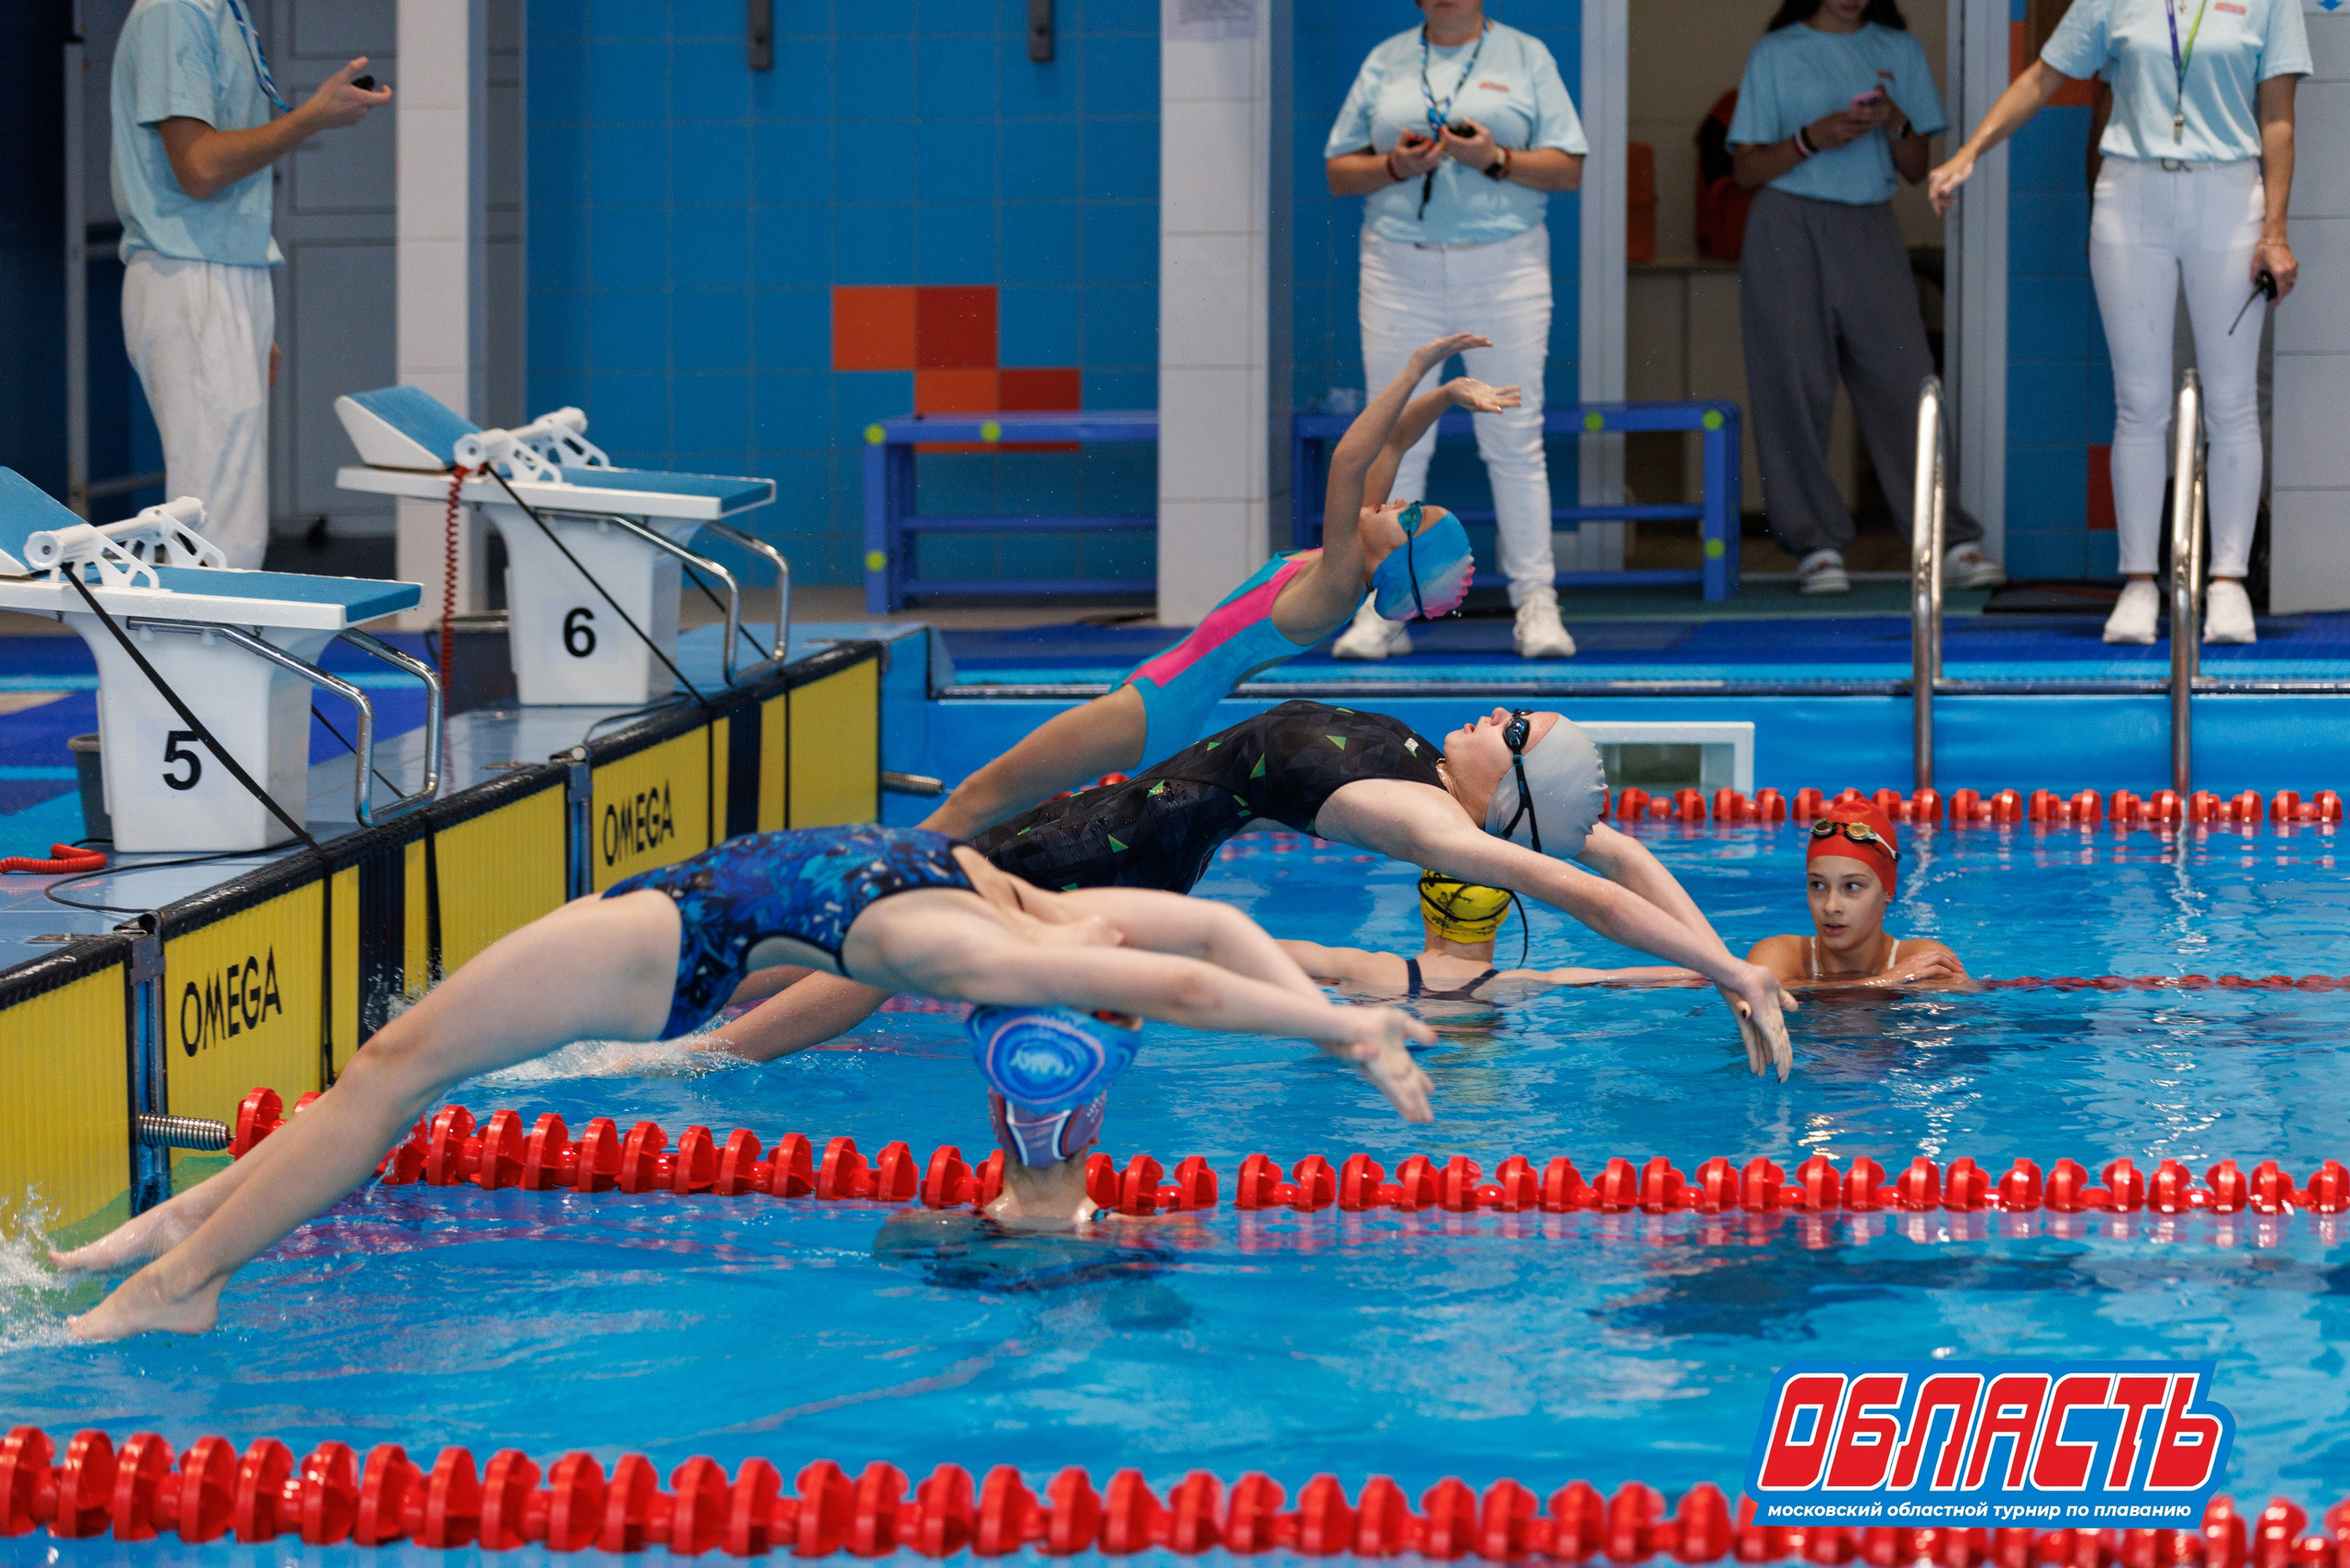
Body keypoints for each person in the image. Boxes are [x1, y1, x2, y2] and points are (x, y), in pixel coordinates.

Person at [54, 825, 1435, 1340]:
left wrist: (1338, 1038)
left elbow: (1187, 987)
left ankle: (183, 1286)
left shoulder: (965, 940)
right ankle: (178, 1236)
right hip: (669, 914)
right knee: (383, 1076)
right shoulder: (1027, 904)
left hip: (665, 952)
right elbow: (1207, 938)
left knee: (392, 1074)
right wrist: (1331, 1003)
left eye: (1108, 953)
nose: (1124, 927)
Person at [711, 704, 1799, 1079]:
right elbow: (1619, 856)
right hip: (1136, 821)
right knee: (892, 915)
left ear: (1509, 786)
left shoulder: (1433, 824)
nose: (1497, 714)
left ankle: (702, 1048)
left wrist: (1719, 970)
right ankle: (713, 999)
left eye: (1516, 733)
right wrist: (1730, 972)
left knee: (902, 922)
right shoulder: (1444, 777)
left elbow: (1584, 890)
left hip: (1117, 842)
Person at [922, 334, 1492, 837]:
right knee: (1006, 813)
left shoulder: (1338, 582)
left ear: (1398, 558)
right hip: (1156, 698)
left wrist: (1419, 365)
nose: (1399, 502)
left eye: (1411, 515)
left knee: (979, 797)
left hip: (1151, 709)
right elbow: (1390, 445)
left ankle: (866, 887)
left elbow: (1349, 459)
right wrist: (1444, 398)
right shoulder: (1345, 563)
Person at [1928, 0, 2305, 646]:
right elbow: (2040, 78)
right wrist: (1969, 153)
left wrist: (2275, 230)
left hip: (2228, 193)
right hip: (2131, 194)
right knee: (2139, 405)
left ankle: (2228, 583)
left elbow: (2277, 117)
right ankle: (2137, 584)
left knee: (2233, 403)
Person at [1324, 0, 1589, 662]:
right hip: (1398, 266)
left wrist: (1493, 157)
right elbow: (1337, 171)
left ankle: (1536, 602)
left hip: (1505, 266)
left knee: (1513, 436)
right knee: (1395, 439)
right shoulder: (1385, 59)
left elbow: (1568, 168)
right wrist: (1396, 166)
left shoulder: (1527, 55)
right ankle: (1385, 605)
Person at [1727, 0, 2008, 599]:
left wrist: (1895, 121)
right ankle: (1816, 546)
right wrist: (1811, 139)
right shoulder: (1776, 53)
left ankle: (1948, 540)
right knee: (1794, 385)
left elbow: (1915, 168)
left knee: (1906, 382)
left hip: (1870, 226)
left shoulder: (1897, 50)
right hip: (1787, 227)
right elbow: (1746, 169)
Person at [111, 1, 391, 567]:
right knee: (219, 530)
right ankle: (198, 655)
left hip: (217, 276)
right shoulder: (178, 9)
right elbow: (200, 168)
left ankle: (205, 653)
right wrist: (312, 117)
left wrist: (249, 320)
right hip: (191, 275)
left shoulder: (221, 9)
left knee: (225, 519)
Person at [1281, 869, 1695, 1005]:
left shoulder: (1366, 968)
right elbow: (1626, 974)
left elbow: (1252, 948)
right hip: (1475, 1082)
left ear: (1424, 906)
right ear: (1501, 917)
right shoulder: (1516, 986)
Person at [1744, 802, 1968, 986]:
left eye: (1852, 887)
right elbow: (1758, 997)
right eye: (1818, 886)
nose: (1831, 906)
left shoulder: (1925, 960)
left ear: (1888, 890)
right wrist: (1886, 981)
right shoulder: (1779, 956)